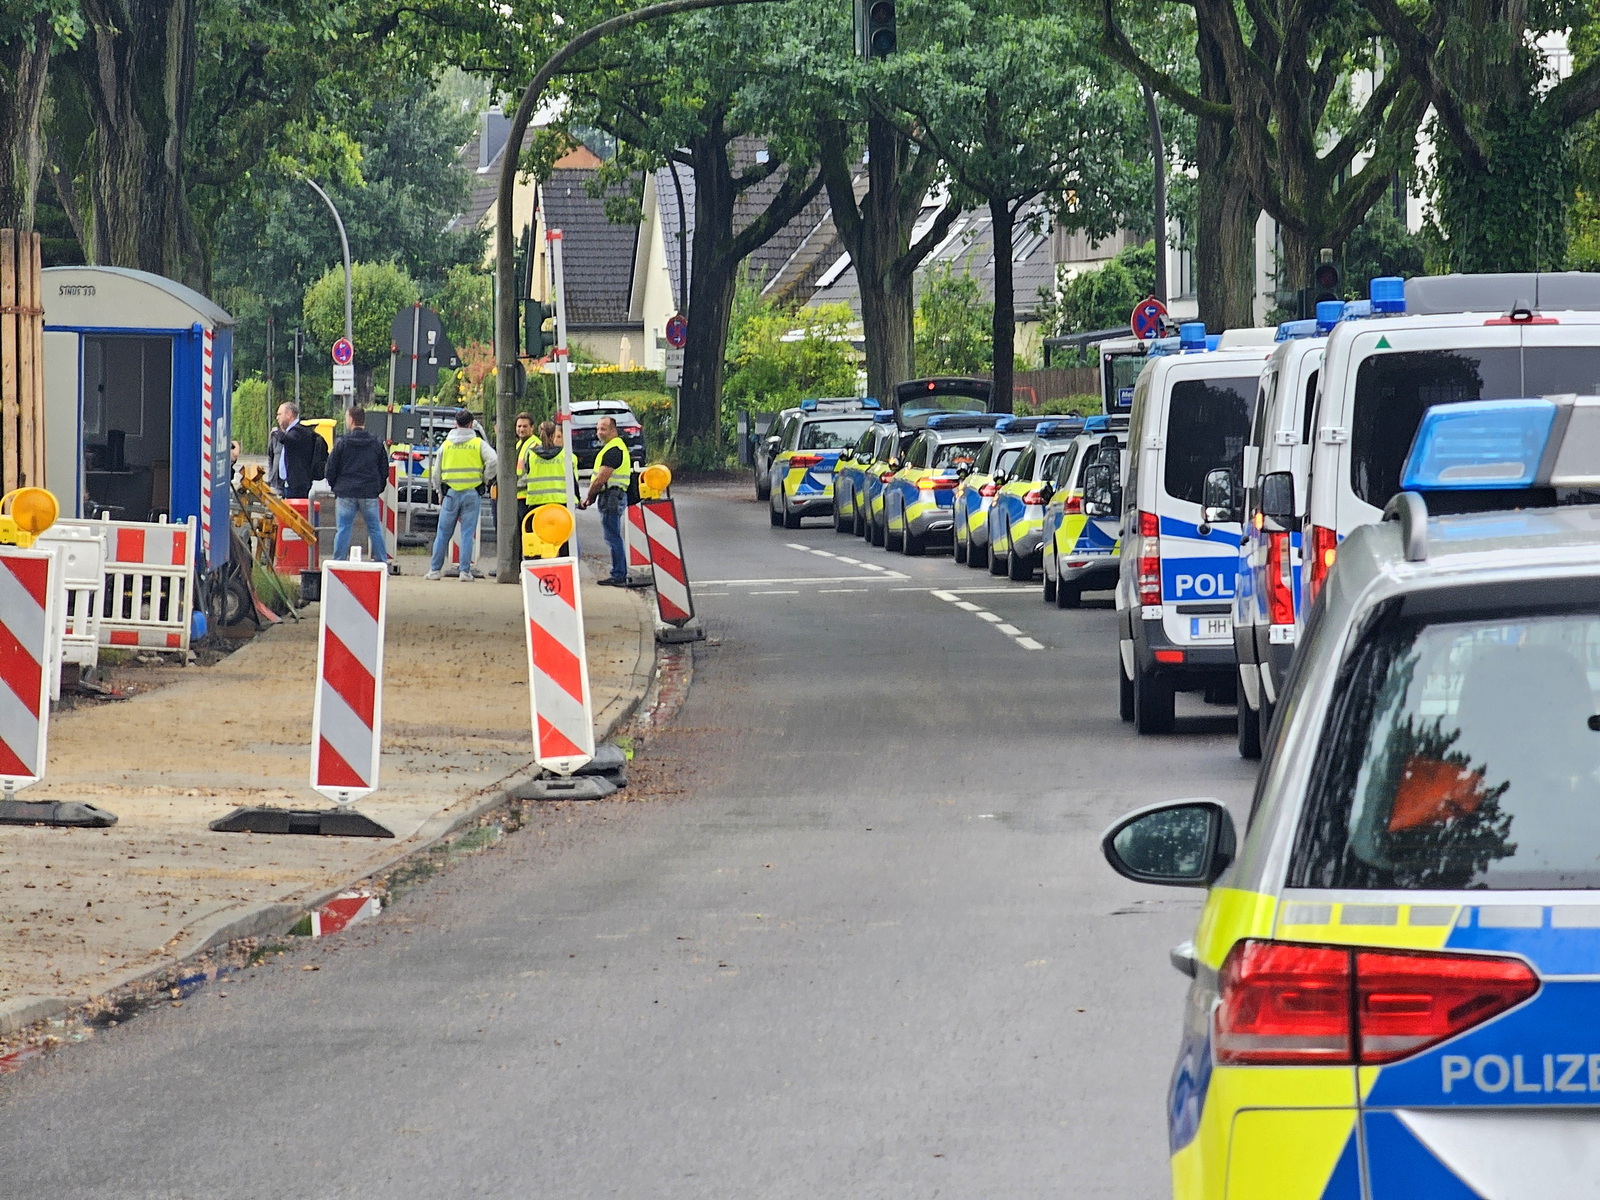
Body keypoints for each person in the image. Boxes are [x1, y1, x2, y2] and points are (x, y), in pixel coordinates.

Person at [427, 409, 497, 581]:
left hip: (450, 493)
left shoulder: (446, 445)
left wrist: (439, 491)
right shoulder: (478, 443)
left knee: (443, 533)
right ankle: (465, 572)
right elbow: (494, 460)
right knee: (467, 534)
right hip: (472, 493)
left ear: (455, 424)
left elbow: (436, 472)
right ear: (472, 424)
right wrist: (485, 478)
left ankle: (434, 570)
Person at [324, 405, 390, 563]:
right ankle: (382, 563)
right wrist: (377, 489)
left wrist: (336, 487)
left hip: (346, 492)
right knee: (374, 528)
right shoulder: (376, 442)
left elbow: (330, 468)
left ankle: (338, 563)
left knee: (344, 529)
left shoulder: (342, 443)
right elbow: (384, 469)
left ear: (351, 420)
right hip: (369, 492)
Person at [578, 414, 633, 585]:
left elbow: (600, 479)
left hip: (611, 496)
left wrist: (589, 498)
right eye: (597, 429)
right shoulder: (614, 447)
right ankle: (618, 572)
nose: (599, 432)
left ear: (613, 430)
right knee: (613, 536)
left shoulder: (613, 450)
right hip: (612, 495)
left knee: (613, 537)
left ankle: (618, 574)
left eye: (603, 429)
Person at [518, 420, 576, 555]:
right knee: (561, 540)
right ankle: (562, 569)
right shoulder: (565, 455)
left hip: (536, 505)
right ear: (553, 435)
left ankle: (537, 571)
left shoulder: (531, 454)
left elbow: (526, 476)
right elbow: (573, 481)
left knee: (537, 541)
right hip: (560, 503)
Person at [270, 401, 326, 499]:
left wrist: (276, 432)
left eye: (279, 414)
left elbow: (289, 439)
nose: (277, 418)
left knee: (296, 513)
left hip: (298, 487)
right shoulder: (292, 432)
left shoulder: (299, 432)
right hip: (286, 484)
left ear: (289, 415)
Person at [512, 411, 536, 531]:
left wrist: (516, 485)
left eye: (525, 426)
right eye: (519, 426)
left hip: (528, 496)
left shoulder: (535, 445)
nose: (521, 429)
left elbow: (533, 473)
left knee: (528, 530)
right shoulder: (518, 444)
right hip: (518, 495)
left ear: (532, 427)